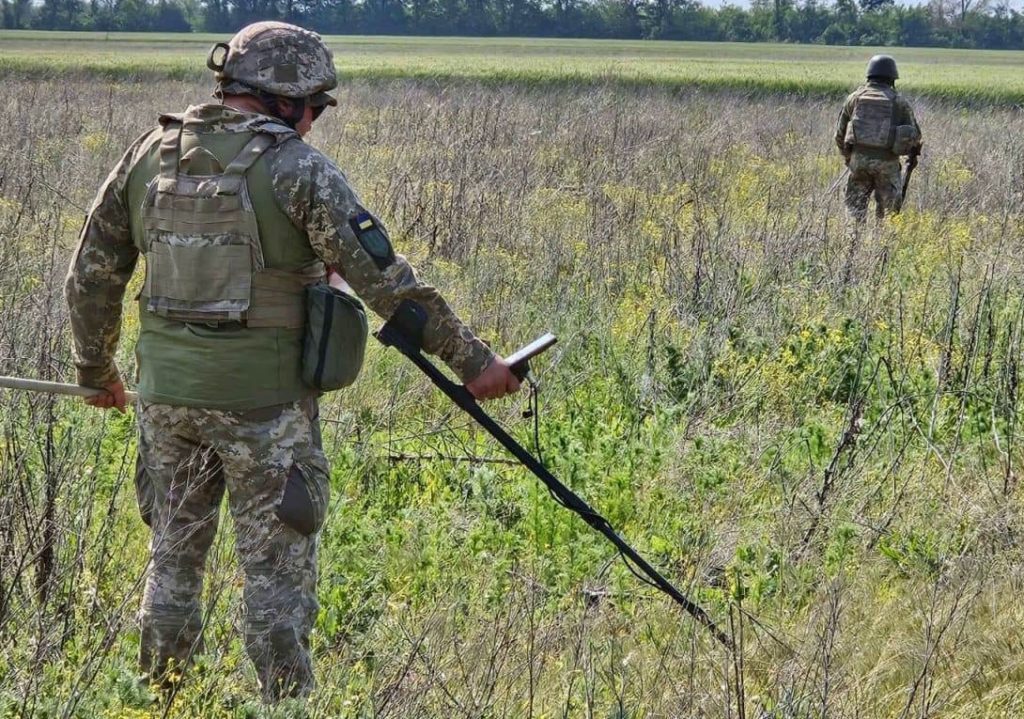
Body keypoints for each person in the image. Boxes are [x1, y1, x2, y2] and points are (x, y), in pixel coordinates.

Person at [64, 21, 520, 702]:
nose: (315, 123)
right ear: (286, 101)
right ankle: (287, 705)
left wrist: (95, 371)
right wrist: (475, 361)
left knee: (173, 563)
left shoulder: (150, 155)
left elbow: (92, 275)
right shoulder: (296, 168)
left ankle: (158, 698)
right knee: (276, 577)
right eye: (315, 108)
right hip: (266, 409)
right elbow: (388, 284)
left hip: (168, 403)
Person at [834, 54, 923, 225]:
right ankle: (881, 249)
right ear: (892, 78)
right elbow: (915, 136)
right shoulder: (899, 102)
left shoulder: (854, 98)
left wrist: (849, 158)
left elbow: (839, 134)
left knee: (854, 214)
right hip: (888, 164)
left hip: (858, 162)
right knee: (888, 218)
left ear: (869, 75)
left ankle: (851, 247)